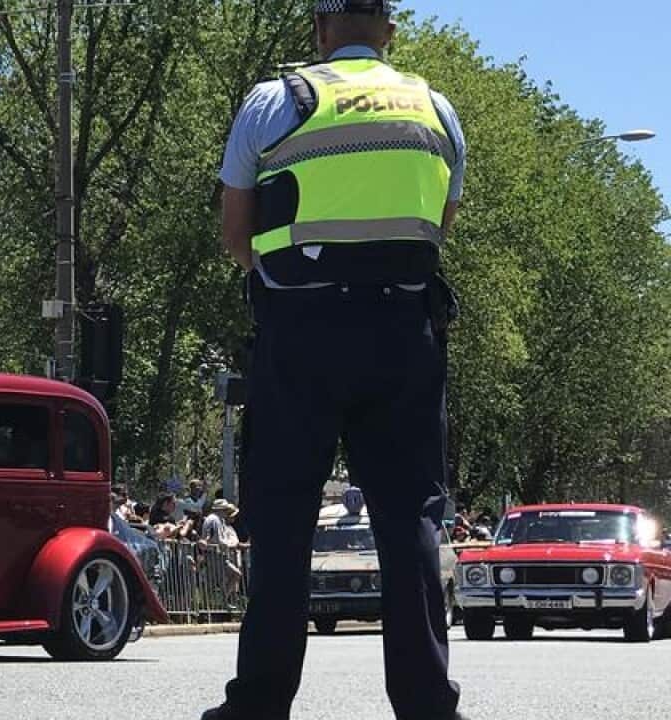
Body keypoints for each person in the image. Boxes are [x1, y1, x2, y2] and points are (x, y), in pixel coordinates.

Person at [205, 1, 467, 718]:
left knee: (284, 518)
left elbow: (236, 233)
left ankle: (259, 702)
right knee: (408, 518)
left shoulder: (274, 101)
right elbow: (438, 224)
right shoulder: (434, 109)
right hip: (404, 331)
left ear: (319, 32)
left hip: (301, 329)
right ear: (389, 29)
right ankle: (425, 704)